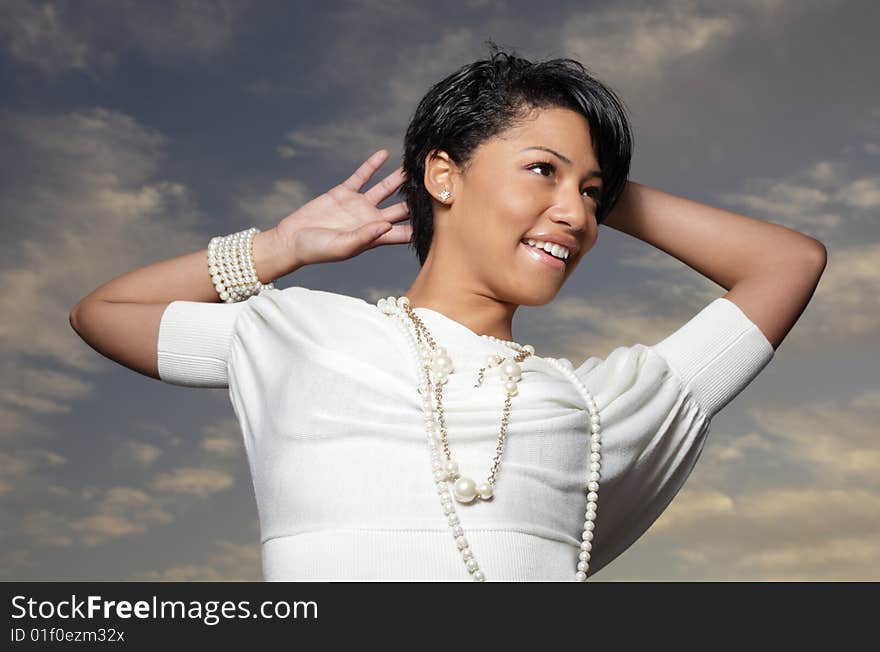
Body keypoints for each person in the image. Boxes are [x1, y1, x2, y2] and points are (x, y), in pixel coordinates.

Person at [70, 43, 826, 581]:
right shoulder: (301, 334)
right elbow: (105, 311)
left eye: (592, 195)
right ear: (443, 174)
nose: (577, 215)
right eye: (540, 170)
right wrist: (278, 247)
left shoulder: (597, 410)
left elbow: (787, 263)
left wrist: (594, 185)